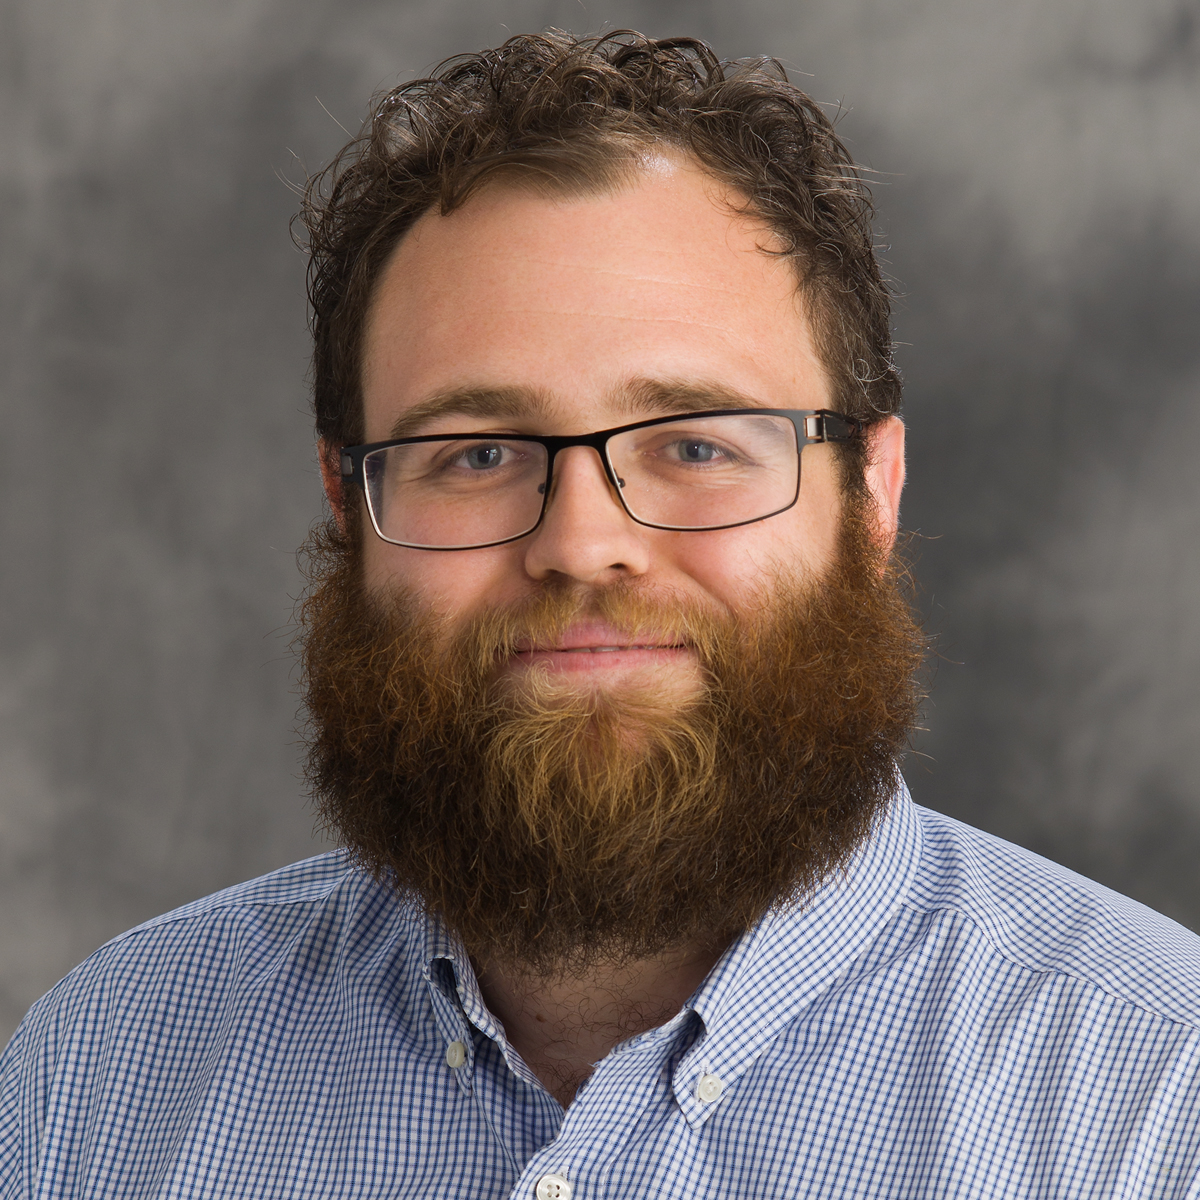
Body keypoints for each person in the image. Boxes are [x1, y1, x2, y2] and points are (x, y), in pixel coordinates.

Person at [2, 29, 1198, 1199]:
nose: (580, 545)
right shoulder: (100, 1078)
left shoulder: (1161, 1100)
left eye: (694, 443)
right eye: (474, 455)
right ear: (346, 508)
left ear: (870, 495)